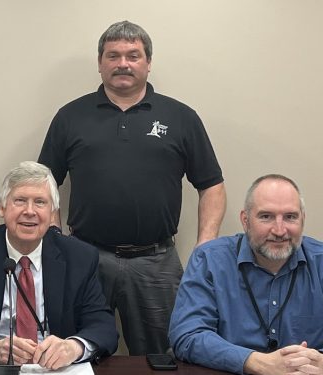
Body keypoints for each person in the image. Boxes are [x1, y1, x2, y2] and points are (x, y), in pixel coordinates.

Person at [37, 20, 226, 355]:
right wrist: (54, 238)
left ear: (148, 63)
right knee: (73, 350)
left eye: (133, 55)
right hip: (85, 256)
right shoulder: (70, 116)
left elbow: (211, 185)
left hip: (156, 261)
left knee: (165, 353)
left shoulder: (181, 117)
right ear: (100, 63)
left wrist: (205, 245)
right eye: (113, 55)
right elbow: (44, 183)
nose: (123, 63)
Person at [169, 174, 323, 375]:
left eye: (290, 217)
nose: (279, 230)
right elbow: (187, 335)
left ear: (303, 220)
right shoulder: (209, 260)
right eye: (266, 216)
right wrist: (255, 362)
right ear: (245, 220)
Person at [0, 161, 118, 370]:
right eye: (20, 201)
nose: (30, 211)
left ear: (52, 211)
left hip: (54, 369)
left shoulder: (79, 256)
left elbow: (104, 327)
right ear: (2, 207)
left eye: (40, 202)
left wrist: (73, 347)